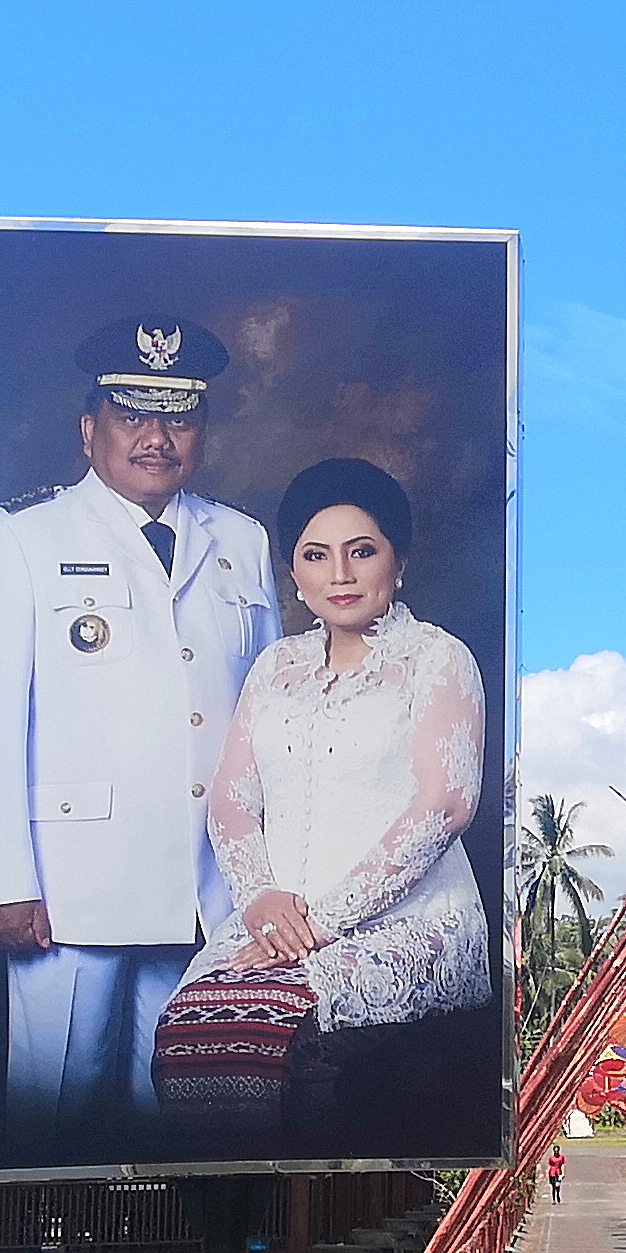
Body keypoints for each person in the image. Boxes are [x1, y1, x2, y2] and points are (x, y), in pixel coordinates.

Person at [0, 317, 280, 1153]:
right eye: (132, 416)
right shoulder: (20, 536)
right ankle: (50, 1225)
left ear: (202, 431)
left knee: (181, 1111)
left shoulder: (242, 541)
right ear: (88, 428)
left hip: (212, 888)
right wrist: (0, 879)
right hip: (69, 888)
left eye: (178, 418)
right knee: (56, 1109)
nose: (156, 438)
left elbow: (272, 719)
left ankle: (158, 1232)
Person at [148, 457, 494, 1140]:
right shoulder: (276, 666)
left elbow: (446, 806)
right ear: (295, 574)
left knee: (281, 1027)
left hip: (413, 922)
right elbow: (232, 802)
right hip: (278, 924)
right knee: (187, 1023)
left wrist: (323, 923)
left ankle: (299, 1199)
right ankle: (228, 1207)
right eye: (316, 555)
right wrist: (259, 900)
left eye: (362, 551)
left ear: (398, 563)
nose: (340, 574)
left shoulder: (437, 657)